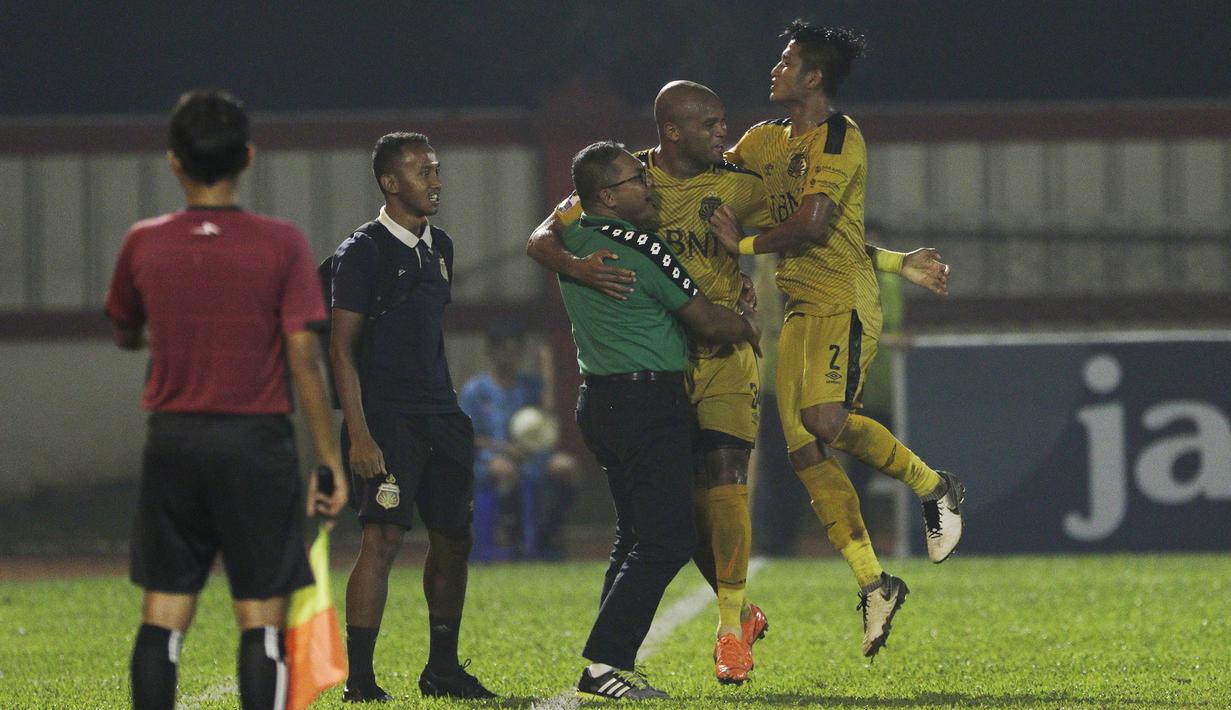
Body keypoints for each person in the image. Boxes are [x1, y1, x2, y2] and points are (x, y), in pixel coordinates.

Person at [528, 79, 941, 682]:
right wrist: (575, 266)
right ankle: (705, 625)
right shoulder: (630, 180)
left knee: (724, 483)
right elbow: (542, 236)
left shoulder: (741, 184)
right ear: (672, 131)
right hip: (665, 359)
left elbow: (815, 230)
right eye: (711, 123)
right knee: (672, 517)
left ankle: (727, 634)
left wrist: (898, 262)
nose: (727, 132)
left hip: (723, 354)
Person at [707, 21, 964, 658]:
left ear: (813, 77)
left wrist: (737, 246)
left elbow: (815, 222)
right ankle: (875, 584)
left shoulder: (842, 137)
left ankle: (936, 486)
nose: (775, 68)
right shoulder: (765, 141)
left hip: (844, 302)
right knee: (803, 453)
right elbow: (718, 181)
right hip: (798, 306)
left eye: (786, 60)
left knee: (823, 419)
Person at [105, 89, 348, 710]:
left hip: (175, 442)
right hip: (255, 445)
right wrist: (328, 457)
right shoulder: (282, 242)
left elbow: (125, 330)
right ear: (248, 155)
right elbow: (305, 359)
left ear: (173, 161)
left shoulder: (143, 241)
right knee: (262, 619)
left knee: (162, 614)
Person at [557, 141, 761, 701]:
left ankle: (606, 663)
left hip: (599, 401)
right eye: (634, 181)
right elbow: (707, 323)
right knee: (669, 538)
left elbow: (542, 236)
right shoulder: (643, 247)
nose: (648, 186)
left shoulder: (573, 235)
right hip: (648, 404)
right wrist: (745, 321)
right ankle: (603, 664)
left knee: (633, 535)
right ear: (607, 196)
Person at [329, 132, 495, 701]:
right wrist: (360, 433)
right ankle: (361, 682)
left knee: (455, 538)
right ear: (390, 182)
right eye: (423, 172)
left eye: (437, 169)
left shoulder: (440, 246)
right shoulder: (365, 251)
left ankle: (441, 670)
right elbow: (341, 349)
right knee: (382, 541)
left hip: (440, 414)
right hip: (388, 419)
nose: (436, 180)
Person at [460, 323, 579, 561]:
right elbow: (467, 436)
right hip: (491, 458)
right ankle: (513, 537)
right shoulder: (476, 390)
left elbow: (547, 413)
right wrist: (505, 449)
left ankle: (548, 533)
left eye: (515, 349)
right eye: (503, 349)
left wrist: (547, 368)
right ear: (491, 352)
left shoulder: (529, 386)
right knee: (506, 471)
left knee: (567, 467)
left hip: (532, 456)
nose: (509, 355)